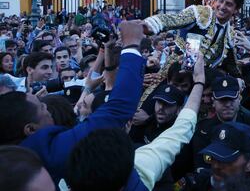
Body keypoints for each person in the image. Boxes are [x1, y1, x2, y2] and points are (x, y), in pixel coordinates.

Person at [0, 20, 146, 186]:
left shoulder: (13, 155)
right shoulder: (44, 152)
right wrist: (131, 45)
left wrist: (90, 86)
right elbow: (118, 108)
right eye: (42, 107)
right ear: (31, 129)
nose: (47, 108)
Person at [66, 53, 207, 191]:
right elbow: (181, 129)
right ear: (128, 125)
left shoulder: (71, 160)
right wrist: (199, 80)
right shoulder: (141, 165)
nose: (161, 108)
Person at [143, 0, 245, 77]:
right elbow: (174, 19)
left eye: (228, 4)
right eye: (221, 1)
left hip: (202, 84)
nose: (222, 6)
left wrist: (241, 80)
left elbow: (231, 65)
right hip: (174, 75)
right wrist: (149, 24)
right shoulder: (201, 13)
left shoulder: (229, 34)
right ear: (216, 1)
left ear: (236, 9)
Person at [192, 74, 250, 169]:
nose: (227, 104)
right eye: (222, 100)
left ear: (239, 99)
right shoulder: (204, 130)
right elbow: (201, 167)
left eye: (231, 99)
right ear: (213, 102)